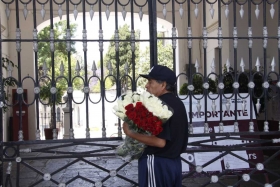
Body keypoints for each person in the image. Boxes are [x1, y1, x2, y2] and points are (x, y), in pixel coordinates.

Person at [122, 65, 189, 187]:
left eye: (150, 82)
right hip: (174, 164)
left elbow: (159, 142)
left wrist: (131, 133)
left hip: (157, 162)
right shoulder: (178, 103)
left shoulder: (159, 105)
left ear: (163, 85)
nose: (146, 86)